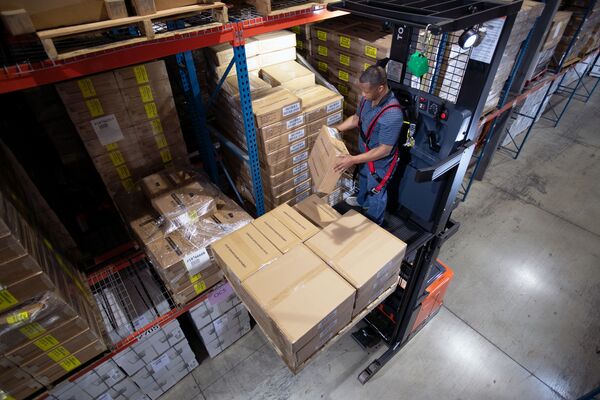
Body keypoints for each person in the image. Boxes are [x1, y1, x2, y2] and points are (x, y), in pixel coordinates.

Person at [333, 66, 404, 225]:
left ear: (380, 88)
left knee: (375, 191)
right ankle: (362, 202)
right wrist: (336, 129)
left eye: (366, 92)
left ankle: (373, 223)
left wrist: (353, 160)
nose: (363, 95)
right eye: (362, 91)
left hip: (380, 163)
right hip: (365, 152)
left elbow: (384, 150)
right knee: (364, 178)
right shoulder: (367, 100)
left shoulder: (392, 115)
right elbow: (356, 119)